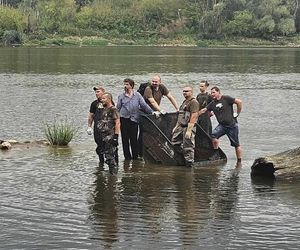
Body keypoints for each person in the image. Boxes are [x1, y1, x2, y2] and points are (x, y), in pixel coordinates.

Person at [200, 86, 243, 163]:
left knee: (236, 144)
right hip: (222, 126)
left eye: (214, 92)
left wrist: (237, 113)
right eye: (211, 93)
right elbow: (204, 110)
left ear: (218, 92)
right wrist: (195, 115)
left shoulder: (226, 98)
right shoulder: (212, 103)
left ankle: (239, 161)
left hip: (232, 126)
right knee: (213, 135)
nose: (212, 94)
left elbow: (239, 102)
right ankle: (216, 154)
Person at [117, 78, 154, 161]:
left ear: (132, 86)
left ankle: (135, 158)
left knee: (133, 139)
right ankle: (127, 158)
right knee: (125, 140)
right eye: (124, 84)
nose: (125, 86)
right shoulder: (121, 96)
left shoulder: (137, 95)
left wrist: (152, 113)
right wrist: (116, 120)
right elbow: (118, 108)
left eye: (127, 84)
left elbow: (144, 105)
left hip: (134, 119)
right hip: (124, 119)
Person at [171, 86, 199, 167]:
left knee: (188, 146)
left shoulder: (194, 102)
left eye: (186, 91)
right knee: (174, 143)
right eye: (183, 91)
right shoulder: (184, 102)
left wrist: (189, 130)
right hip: (180, 126)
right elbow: (180, 116)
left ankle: (189, 164)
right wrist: (176, 127)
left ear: (191, 92)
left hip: (188, 126)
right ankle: (181, 160)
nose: (184, 93)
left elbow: (194, 116)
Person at [97, 92, 120, 174]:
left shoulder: (113, 109)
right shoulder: (104, 109)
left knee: (110, 156)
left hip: (110, 136)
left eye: (104, 98)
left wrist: (116, 137)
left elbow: (117, 123)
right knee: (106, 155)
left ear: (109, 99)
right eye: (101, 98)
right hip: (104, 136)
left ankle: (113, 175)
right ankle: (111, 175)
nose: (101, 100)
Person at [87, 86, 106, 165]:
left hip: (106, 128)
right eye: (95, 92)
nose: (96, 93)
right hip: (97, 128)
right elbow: (91, 115)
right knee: (99, 144)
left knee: (107, 144)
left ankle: (110, 161)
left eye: (98, 91)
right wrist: (89, 126)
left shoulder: (108, 102)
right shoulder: (94, 103)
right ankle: (101, 162)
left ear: (103, 92)